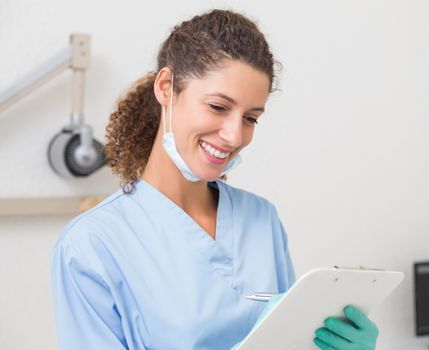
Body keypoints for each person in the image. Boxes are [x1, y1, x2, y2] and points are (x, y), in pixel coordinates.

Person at [51, 9, 378, 350]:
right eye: (219, 107)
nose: (235, 135)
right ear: (166, 88)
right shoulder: (91, 245)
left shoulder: (261, 219)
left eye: (250, 118)